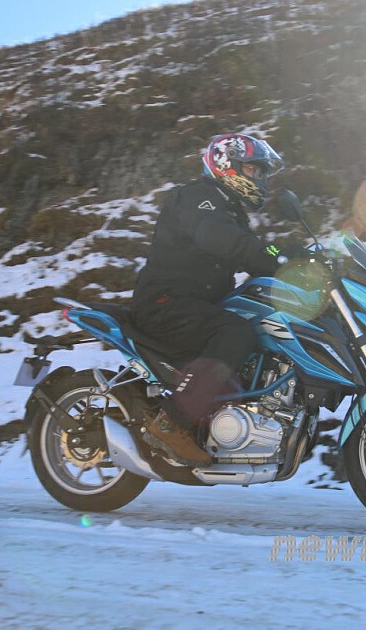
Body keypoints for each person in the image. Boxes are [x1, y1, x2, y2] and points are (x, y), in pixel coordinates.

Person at [132, 133, 286, 465]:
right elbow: (219, 237)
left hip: (198, 305)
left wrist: (292, 258)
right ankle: (171, 422)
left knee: (257, 330)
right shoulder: (196, 198)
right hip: (166, 302)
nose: (258, 179)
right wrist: (270, 256)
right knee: (235, 333)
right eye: (254, 170)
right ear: (226, 164)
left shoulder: (231, 211)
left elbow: (252, 251)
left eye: (262, 173)